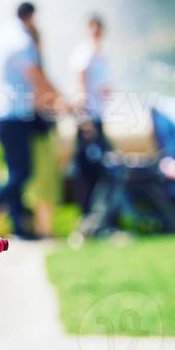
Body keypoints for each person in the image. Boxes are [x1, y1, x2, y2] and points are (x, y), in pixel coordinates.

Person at [0, 1, 63, 240]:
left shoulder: (3, 35)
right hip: (14, 114)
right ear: (30, 16)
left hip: (3, 112)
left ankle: (19, 225)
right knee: (21, 172)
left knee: (15, 171)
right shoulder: (21, 40)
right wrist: (62, 99)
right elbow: (36, 77)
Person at [69, 13, 113, 213]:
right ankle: (86, 211)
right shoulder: (84, 54)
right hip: (88, 117)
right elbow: (80, 87)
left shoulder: (101, 55)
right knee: (87, 166)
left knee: (99, 165)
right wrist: (84, 119)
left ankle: (97, 211)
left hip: (98, 114)